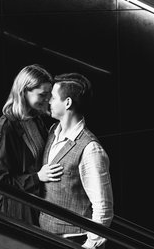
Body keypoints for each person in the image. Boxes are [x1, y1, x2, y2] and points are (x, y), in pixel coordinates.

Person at [39, 73, 114, 248]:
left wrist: (89, 245)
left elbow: (103, 208)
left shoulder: (90, 149)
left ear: (67, 103)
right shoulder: (53, 131)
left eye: (53, 97)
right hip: (47, 236)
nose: (48, 101)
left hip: (75, 241)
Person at [0, 64, 64, 225]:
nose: (47, 100)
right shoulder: (5, 128)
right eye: (42, 94)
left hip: (37, 208)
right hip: (18, 213)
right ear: (23, 92)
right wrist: (37, 178)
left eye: (49, 95)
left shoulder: (36, 120)